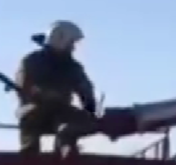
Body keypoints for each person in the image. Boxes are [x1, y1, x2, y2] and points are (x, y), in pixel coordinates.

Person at [14, 20, 132, 156]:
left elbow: (85, 89)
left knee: (70, 126)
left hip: (62, 111)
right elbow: (22, 88)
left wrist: (90, 110)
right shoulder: (31, 62)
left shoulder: (73, 67)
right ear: (61, 39)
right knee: (30, 120)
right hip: (34, 108)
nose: (73, 47)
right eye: (71, 43)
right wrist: (39, 95)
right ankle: (29, 154)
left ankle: (66, 148)